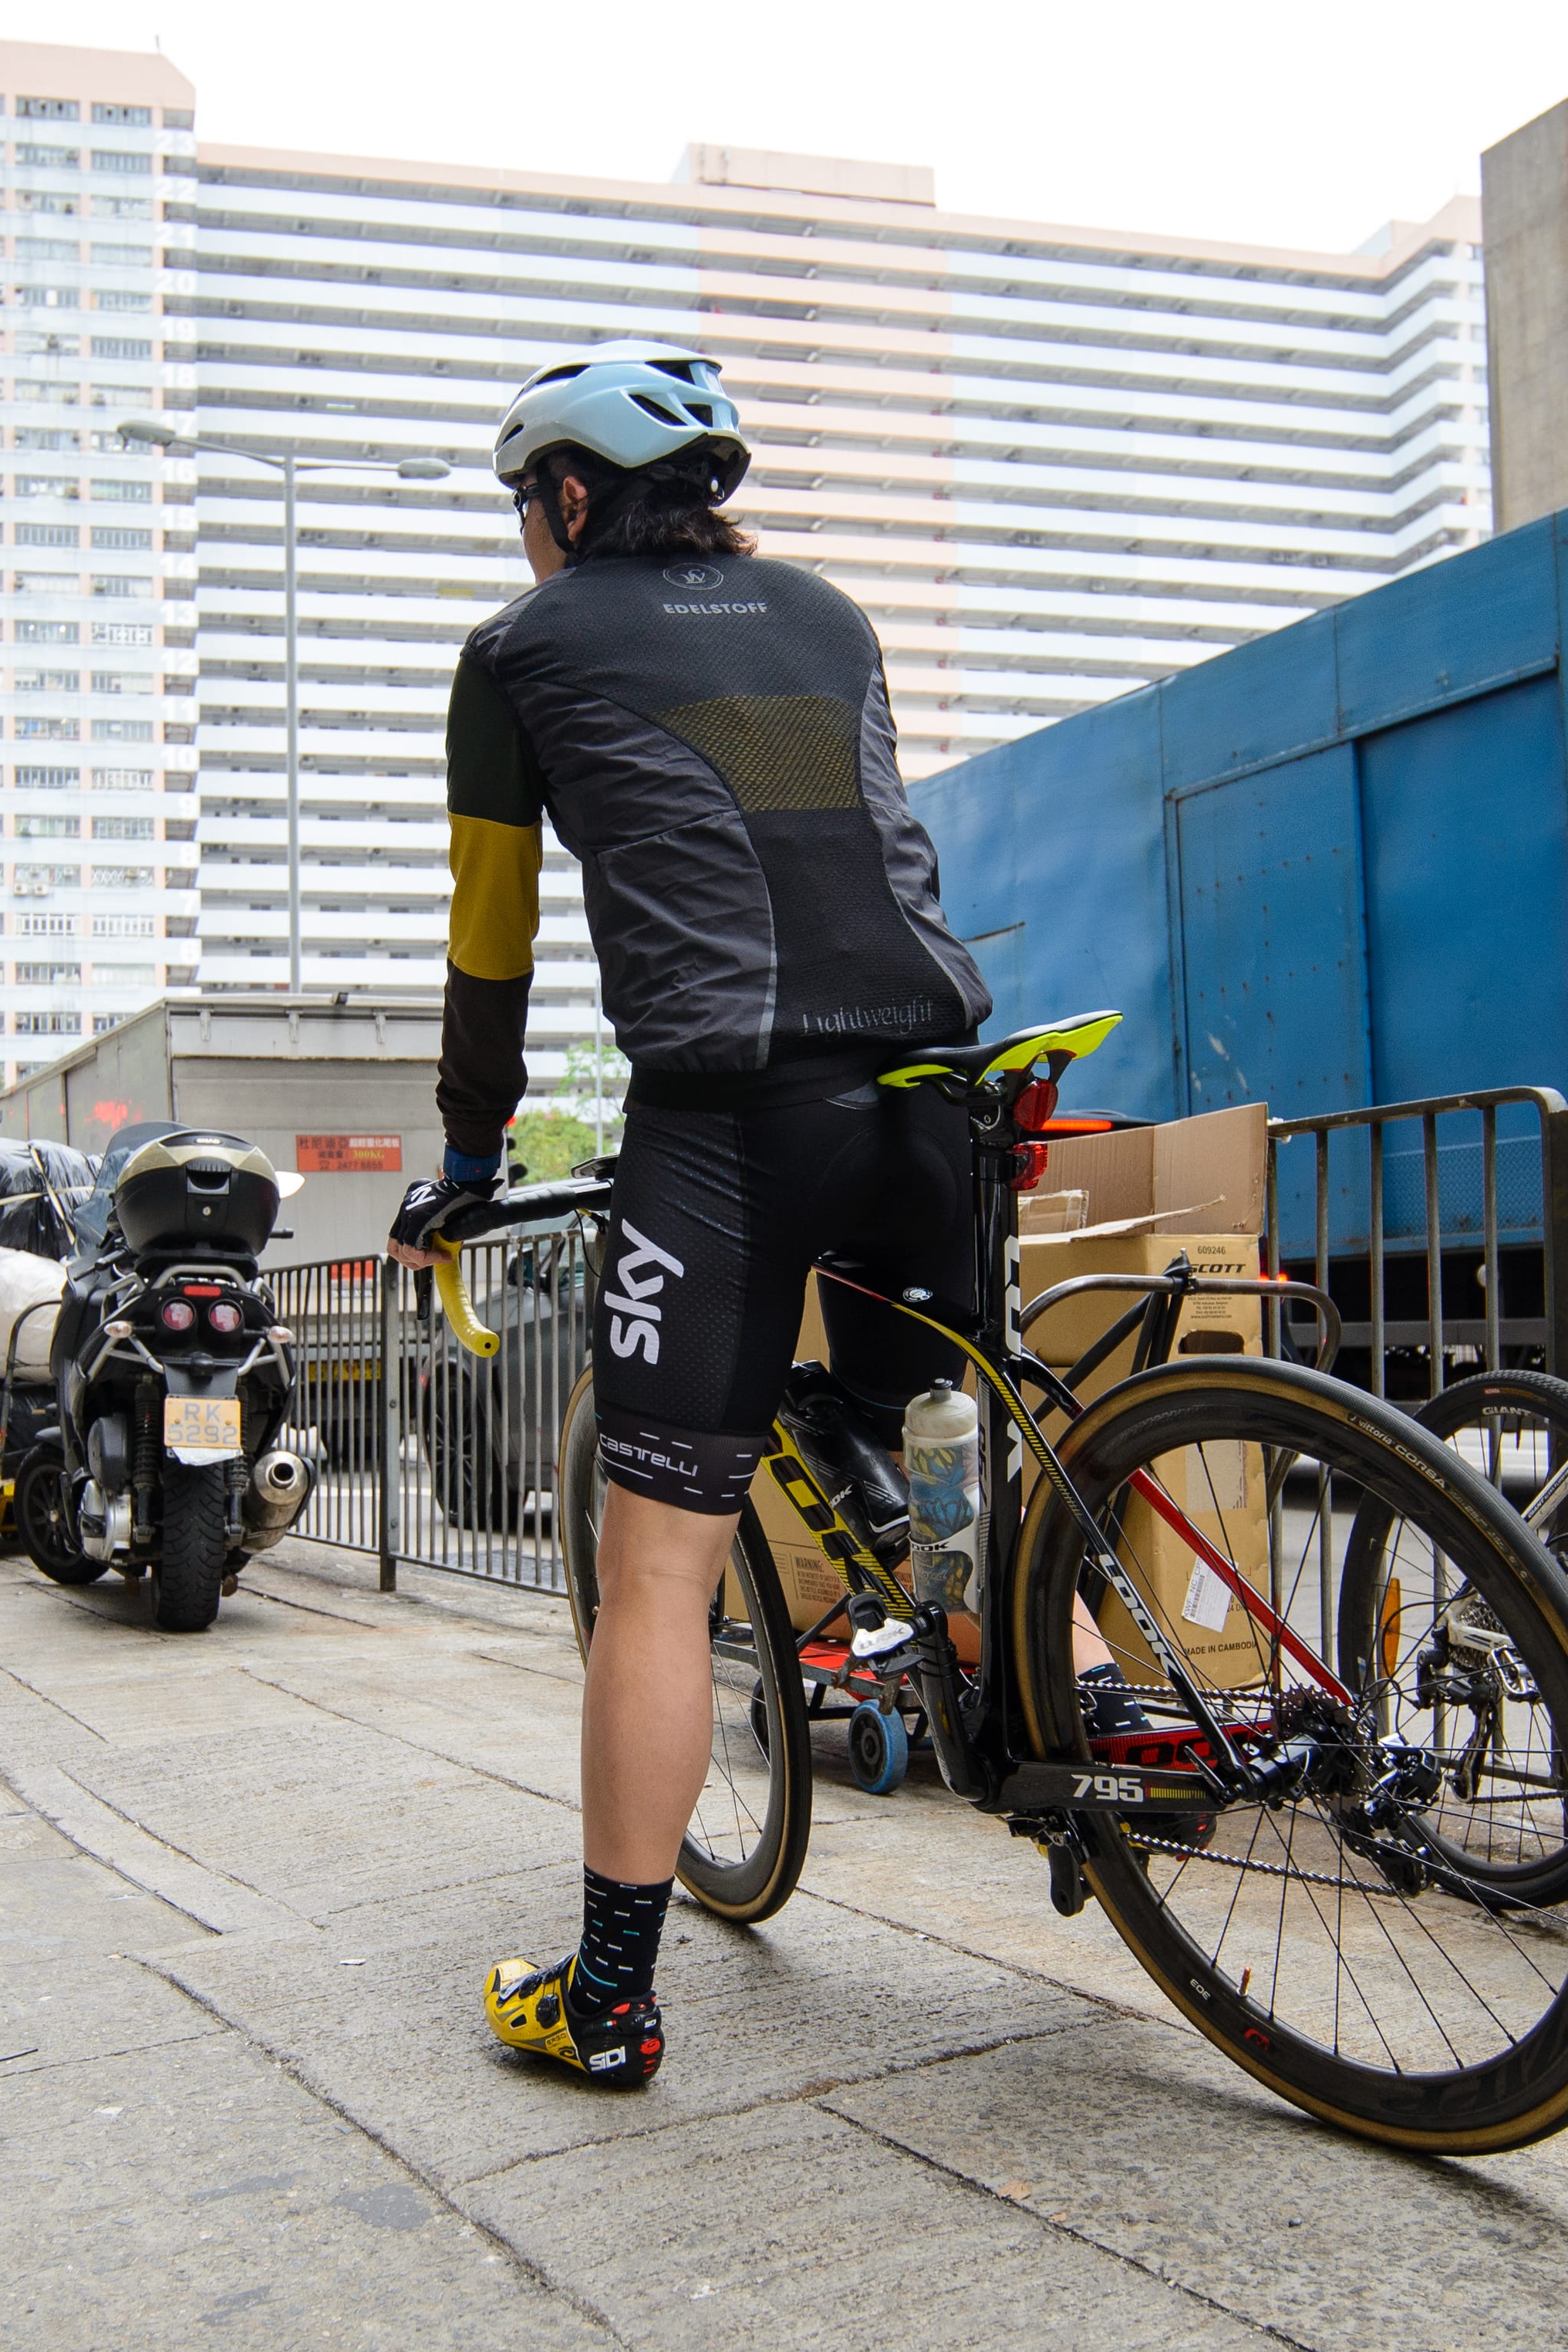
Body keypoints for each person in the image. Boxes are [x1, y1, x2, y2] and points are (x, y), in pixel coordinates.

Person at [388, 346, 991, 2088]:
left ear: (569, 498)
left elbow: (489, 931)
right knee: (933, 1421)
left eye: (525, 502)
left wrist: (470, 1150)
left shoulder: (523, 652)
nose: (522, 535)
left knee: (658, 1572)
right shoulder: (829, 613)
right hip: (935, 1098)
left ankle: (606, 2004)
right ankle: (944, 1551)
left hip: (734, 1122)